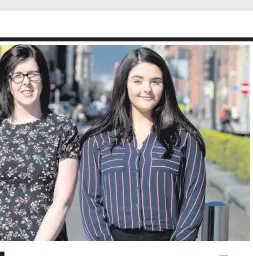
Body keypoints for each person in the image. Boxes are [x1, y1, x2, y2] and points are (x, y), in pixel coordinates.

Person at [79, 47, 206, 241]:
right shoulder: (97, 141)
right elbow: (90, 203)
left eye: (155, 82)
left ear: (165, 87)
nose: (147, 89)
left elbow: (193, 200)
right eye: (137, 81)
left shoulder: (184, 140)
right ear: (124, 84)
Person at [0, 44, 81, 241]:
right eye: (17, 76)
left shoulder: (63, 129)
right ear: (7, 82)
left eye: (33, 75)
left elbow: (62, 201)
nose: (26, 83)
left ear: (43, 79)